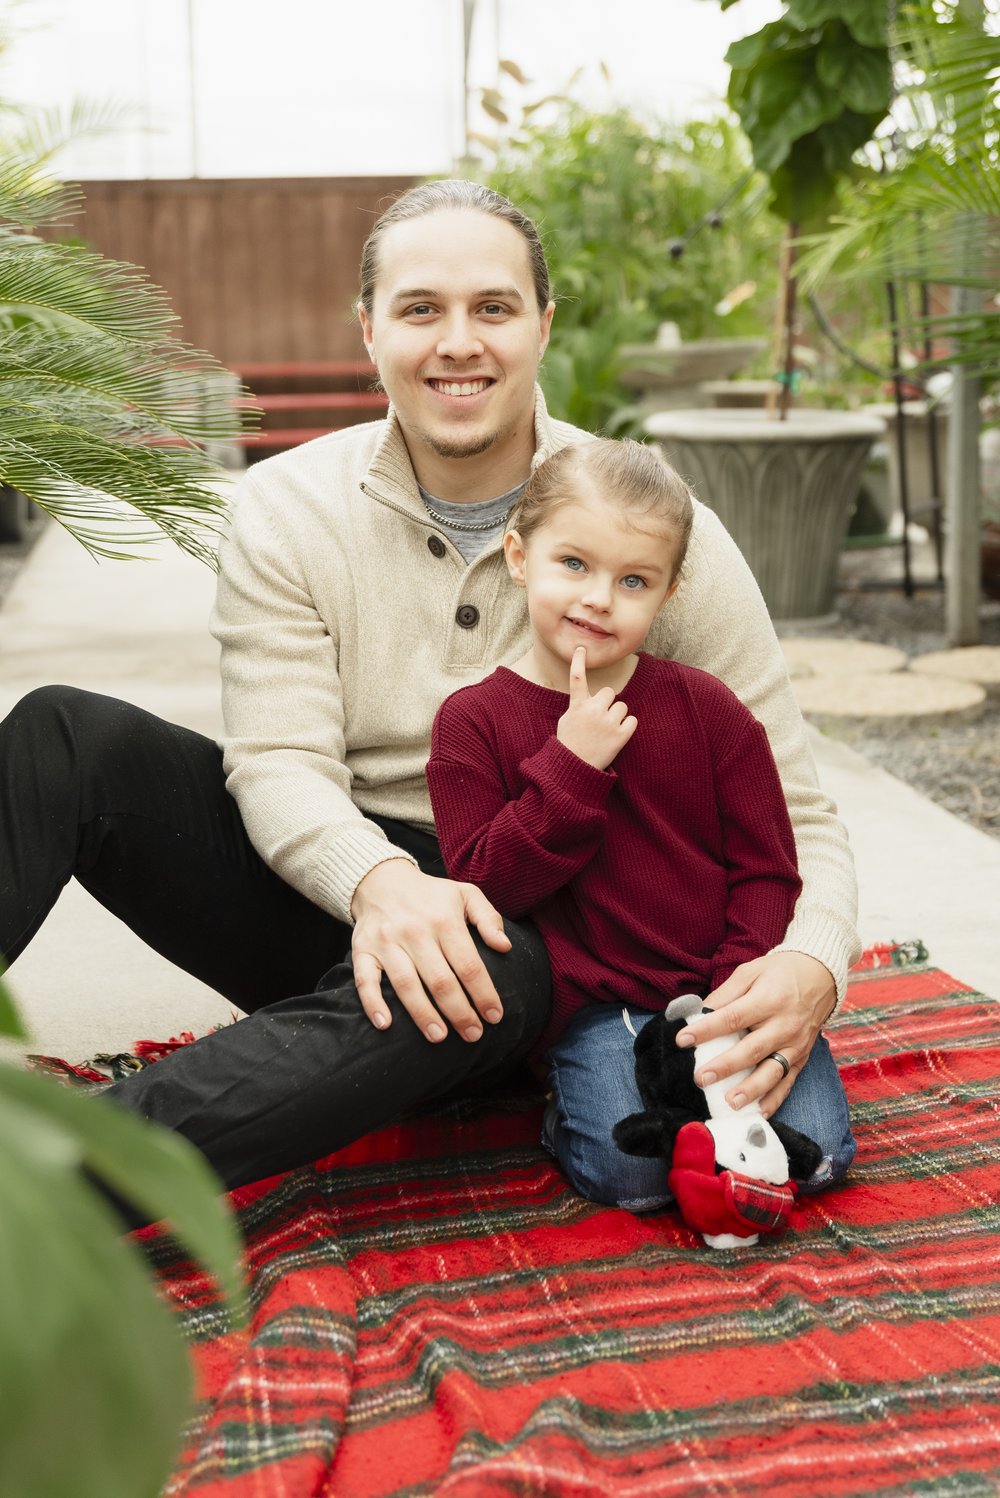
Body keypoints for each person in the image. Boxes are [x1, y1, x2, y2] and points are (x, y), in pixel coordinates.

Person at [0, 180, 860, 1206]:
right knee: (66, 734)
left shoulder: (650, 530)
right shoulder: (287, 506)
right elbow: (277, 763)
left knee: (489, 971)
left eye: (493, 307)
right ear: (370, 330)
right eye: (421, 309)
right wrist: (377, 884)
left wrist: (815, 961)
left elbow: (797, 808)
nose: (460, 342)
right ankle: (332, 1043)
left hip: (535, 932)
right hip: (334, 886)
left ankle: (65, 1180)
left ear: (542, 324)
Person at [427, 438, 854, 1207]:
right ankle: (564, 1116)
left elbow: (769, 868)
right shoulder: (472, 723)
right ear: (520, 557)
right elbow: (484, 886)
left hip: (728, 989)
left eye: (633, 580)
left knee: (815, 1157)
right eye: (573, 565)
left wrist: (735, 995)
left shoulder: (708, 710)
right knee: (635, 1176)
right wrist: (572, 768)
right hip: (598, 1009)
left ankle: (728, 1097)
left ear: (669, 591)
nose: (598, 598)